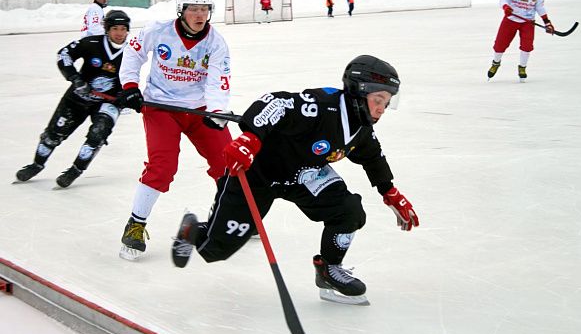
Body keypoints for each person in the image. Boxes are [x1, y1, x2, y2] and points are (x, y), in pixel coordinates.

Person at [171, 55, 420, 305]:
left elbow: (373, 158)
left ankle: (329, 270)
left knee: (349, 211)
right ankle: (193, 230)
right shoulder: (322, 106)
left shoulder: (362, 127)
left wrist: (389, 191)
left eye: (386, 104)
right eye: (378, 100)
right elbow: (276, 103)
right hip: (258, 173)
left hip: (305, 174)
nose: (381, 109)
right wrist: (250, 139)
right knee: (217, 249)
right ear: (357, 91)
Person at [117, 0, 233, 261]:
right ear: (181, 9)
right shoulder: (158, 30)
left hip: (199, 110)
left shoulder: (216, 43)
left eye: (205, 8)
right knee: (163, 166)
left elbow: (219, 81)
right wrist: (130, 86)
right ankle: (135, 224)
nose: (199, 14)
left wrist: (217, 113)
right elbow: (133, 54)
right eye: (193, 8)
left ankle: (233, 217)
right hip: (160, 108)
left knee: (227, 162)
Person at [15, 10, 132, 188]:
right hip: (78, 97)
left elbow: (137, 76)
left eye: (123, 29)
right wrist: (75, 79)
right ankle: (37, 164)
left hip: (109, 102)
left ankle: (75, 170)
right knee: (54, 134)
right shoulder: (92, 43)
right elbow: (63, 54)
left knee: (98, 134)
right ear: (107, 29)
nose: (119, 33)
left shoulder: (132, 52)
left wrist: (129, 94)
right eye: (114, 28)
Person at [487, 0, 554, 81]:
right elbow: (503, 0)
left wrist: (547, 22)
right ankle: (496, 63)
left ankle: (522, 67)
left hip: (528, 22)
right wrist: (506, 8)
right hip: (510, 19)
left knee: (527, 46)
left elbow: (539, 7)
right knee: (499, 44)